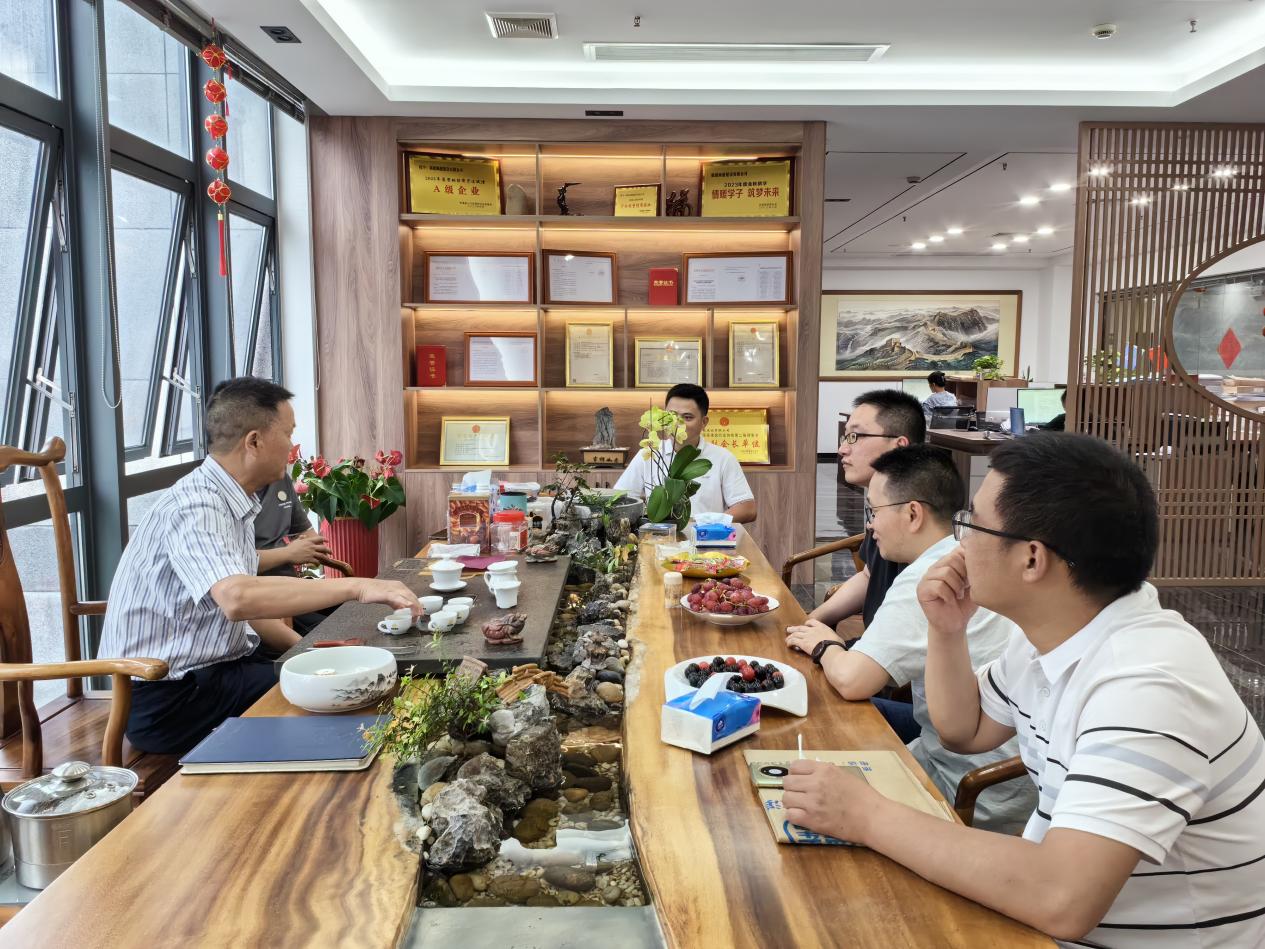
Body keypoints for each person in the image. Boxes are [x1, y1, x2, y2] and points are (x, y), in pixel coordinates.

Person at [782, 433, 1265, 946]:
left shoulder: (1148, 685)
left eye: (971, 524)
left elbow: (1061, 897)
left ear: (1032, 559)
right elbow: (964, 730)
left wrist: (866, 815)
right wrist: (946, 629)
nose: (958, 544)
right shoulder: (1051, 635)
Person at [98, 378, 422, 756]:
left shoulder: (227, 501)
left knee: (352, 678)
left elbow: (248, 609)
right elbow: (238, 599)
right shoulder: (197, 506)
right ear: (254, 442)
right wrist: (359, 587)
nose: (292, 446)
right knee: (351, 696)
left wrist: (306, 651)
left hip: (217, 673)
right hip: (171, 698)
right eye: (288, 433)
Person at [785, 444, 1035, 832]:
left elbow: (853, 680)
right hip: (973, 755)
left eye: (874, 512)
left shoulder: (933, 575)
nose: (870, 525)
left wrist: (825, 644)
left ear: (913, 513)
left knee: (817, 715)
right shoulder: (950, 564)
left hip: (971, 786)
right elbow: (959, 731)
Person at [809, 390, 925, 633]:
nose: (842, 449)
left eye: (855, 437)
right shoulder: (883, 506)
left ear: (899, 446)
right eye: (845, 437)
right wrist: (811, 620)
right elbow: (868, 576)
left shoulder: (918, 519)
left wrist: (829, 647)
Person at [613, 383, 756, 524]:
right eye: (671, 416)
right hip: (658, 536)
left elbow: (747, 509)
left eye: (687, 417)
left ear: (704, 422)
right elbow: (619, 499)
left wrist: (706, 523)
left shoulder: (723, 458)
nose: (677, 423)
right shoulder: (650, 453)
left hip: (705, 535)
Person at [253, 468, 334, 636]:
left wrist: (309, 548)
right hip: (262, 598)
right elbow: (236, 563)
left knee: (352, 613)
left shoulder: (281, 479)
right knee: (332, 633)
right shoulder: (225, 493)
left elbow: (310, 535)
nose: (288, 454)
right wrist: (289, 553)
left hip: (293, 589)